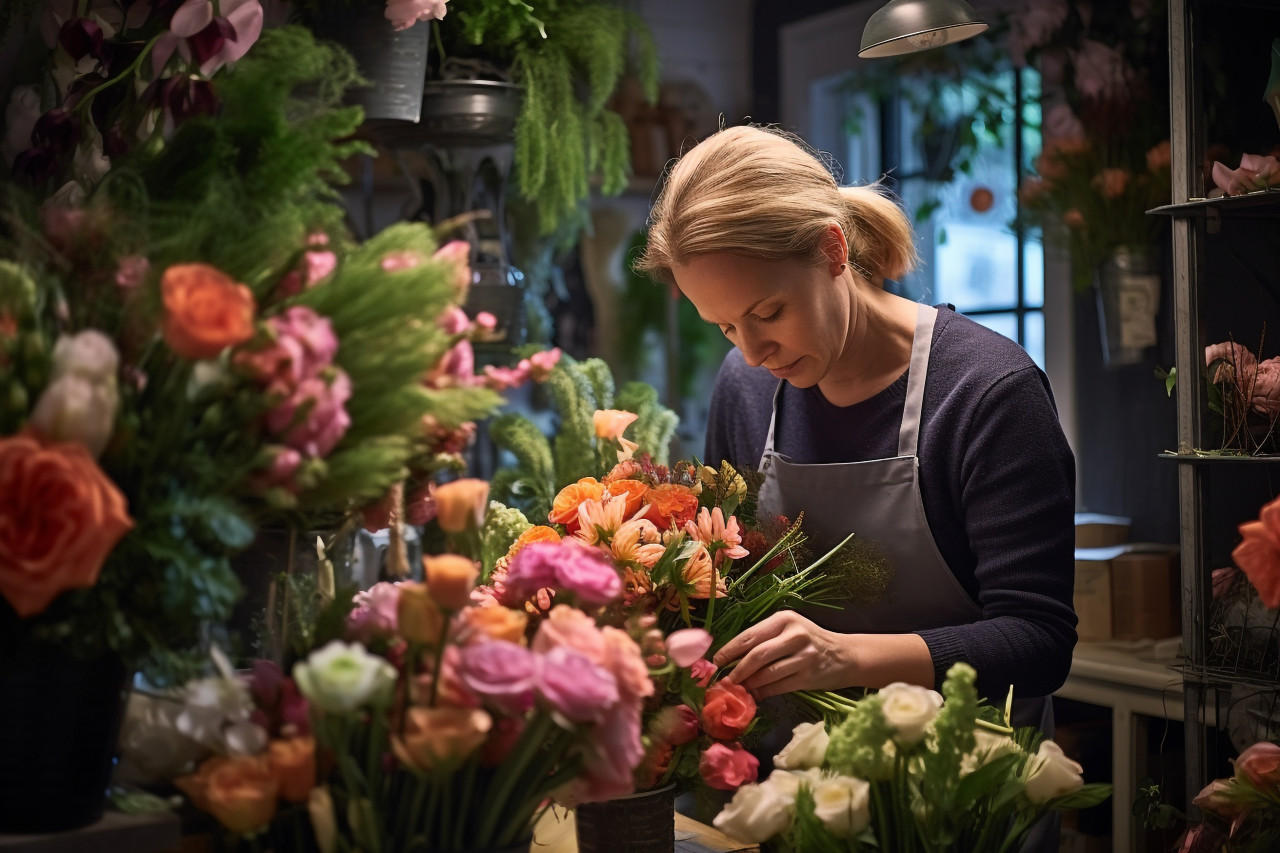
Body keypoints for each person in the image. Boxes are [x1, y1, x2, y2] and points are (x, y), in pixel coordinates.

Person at [634, 125, 1077, 815]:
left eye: (768, 312)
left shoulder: (986, 393)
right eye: (724, 327)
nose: (751, 352)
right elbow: (728, 582)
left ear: (832, 250)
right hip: (794, 798)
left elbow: (1039, 642)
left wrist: (846, 657)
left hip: (963, 800)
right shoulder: (745, 389)